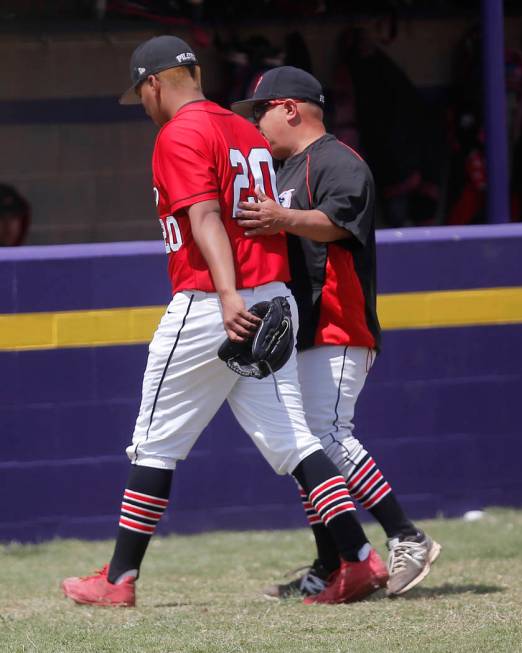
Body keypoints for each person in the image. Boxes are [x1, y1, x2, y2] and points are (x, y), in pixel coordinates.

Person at [61, 36, 389, 608]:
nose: (141, 104)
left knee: (153, 443)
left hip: (216, 301)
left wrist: (228, 291)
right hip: (274, 295)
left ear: (154, 82)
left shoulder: (180, 131)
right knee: (294, 440)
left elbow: (206, 216)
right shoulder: (245, 131)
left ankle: (117, 581)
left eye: (140, 93)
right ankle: (359, 559)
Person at [231, 66, 441, 598]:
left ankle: (406, 535)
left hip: (338, 321)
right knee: (308, 445)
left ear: (290, 109)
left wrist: (281, 218)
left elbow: (338, 223)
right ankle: (334, 563)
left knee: (328, 437)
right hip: (305, 326)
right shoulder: (282, 169)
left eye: (262, 111)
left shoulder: (339, 161)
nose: (257, 123)